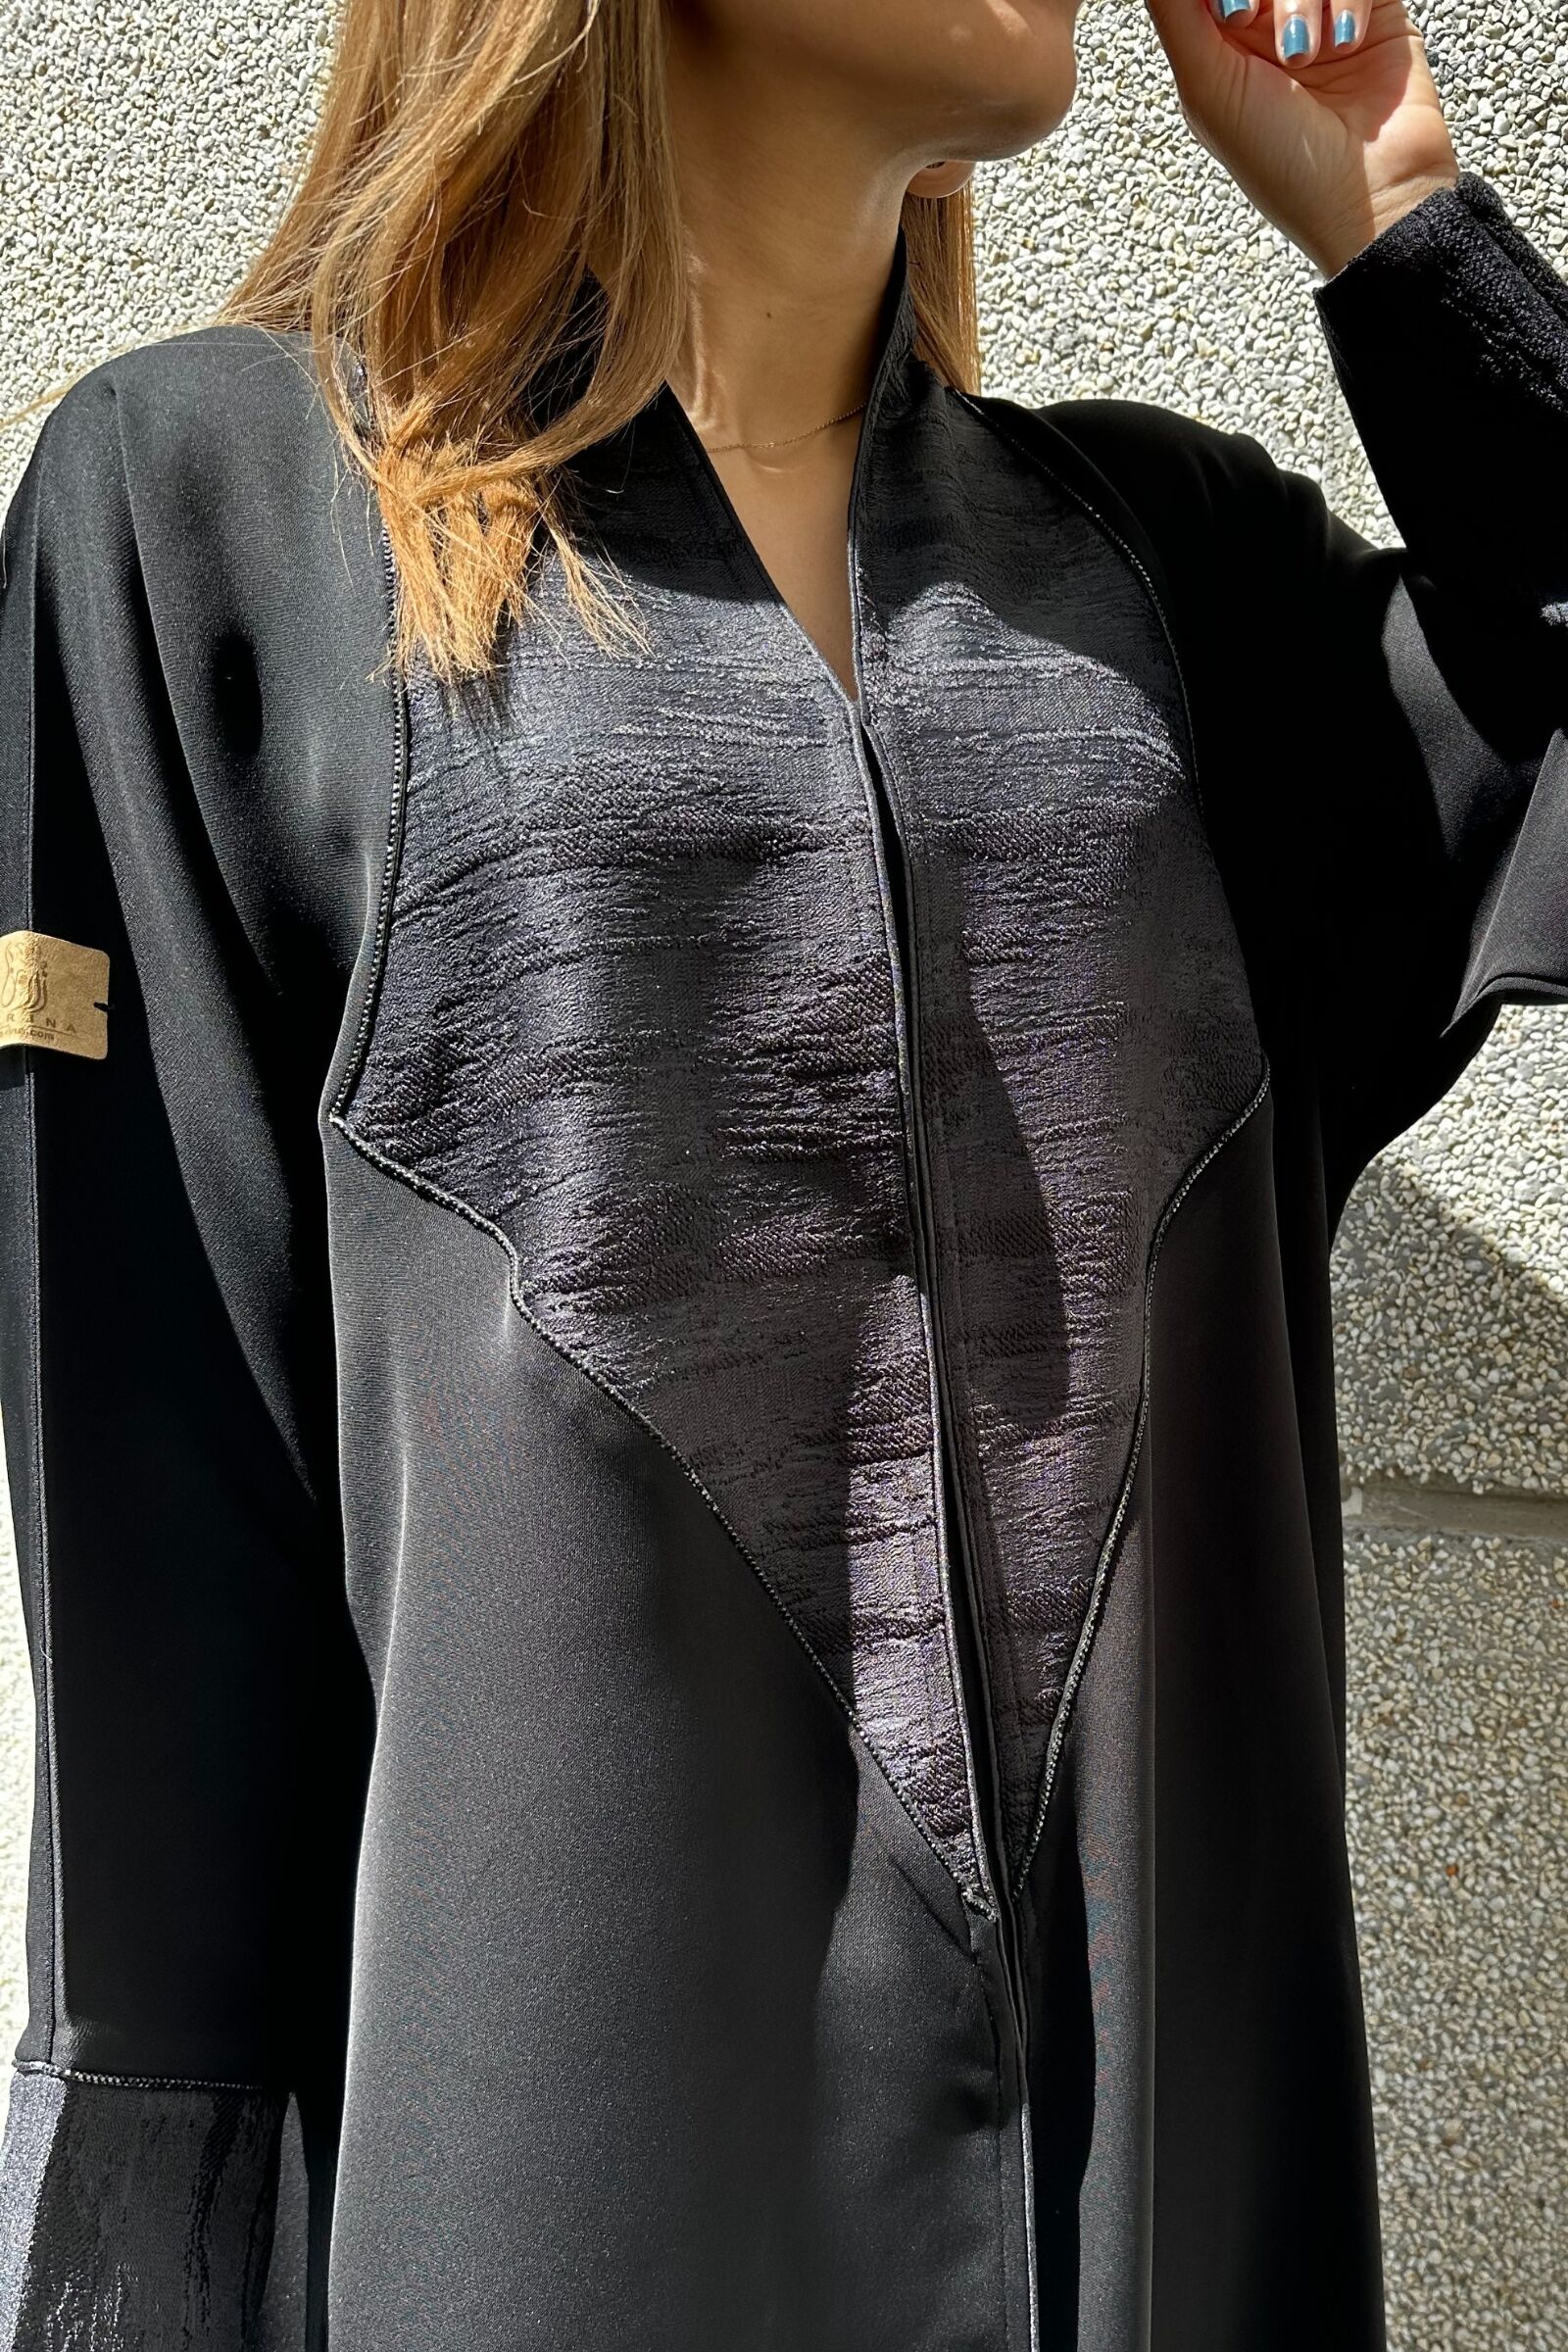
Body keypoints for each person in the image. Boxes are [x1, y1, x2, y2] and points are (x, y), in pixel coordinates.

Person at [0, 0, 1561, 2345]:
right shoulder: (217, 520)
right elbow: (159, 1627)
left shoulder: (1171, 591)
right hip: (536, 2236)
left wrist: (1397, 205)